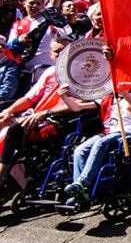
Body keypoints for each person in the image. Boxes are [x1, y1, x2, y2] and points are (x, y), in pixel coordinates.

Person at [0, 37, 95, 191]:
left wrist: (46, 112)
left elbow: (79, 104)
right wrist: (9, 111)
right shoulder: (50, 72)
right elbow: (29, 98)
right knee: (2, 122)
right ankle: (18, 177)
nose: (60, 54)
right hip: (34, 116)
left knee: (12, 130)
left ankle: (2, 176)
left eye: (64, 51)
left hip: (57, 121)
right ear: (50, 54)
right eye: (56, 52)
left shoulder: (84, 74)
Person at [64, 91, 131, 204]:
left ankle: (83, 182)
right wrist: (63, 96)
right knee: (79, 150)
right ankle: (80, 191)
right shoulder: (107, 99)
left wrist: (125, 94)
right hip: (108, 132)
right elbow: (77, 107)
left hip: (125, 132)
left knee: (100, 143)